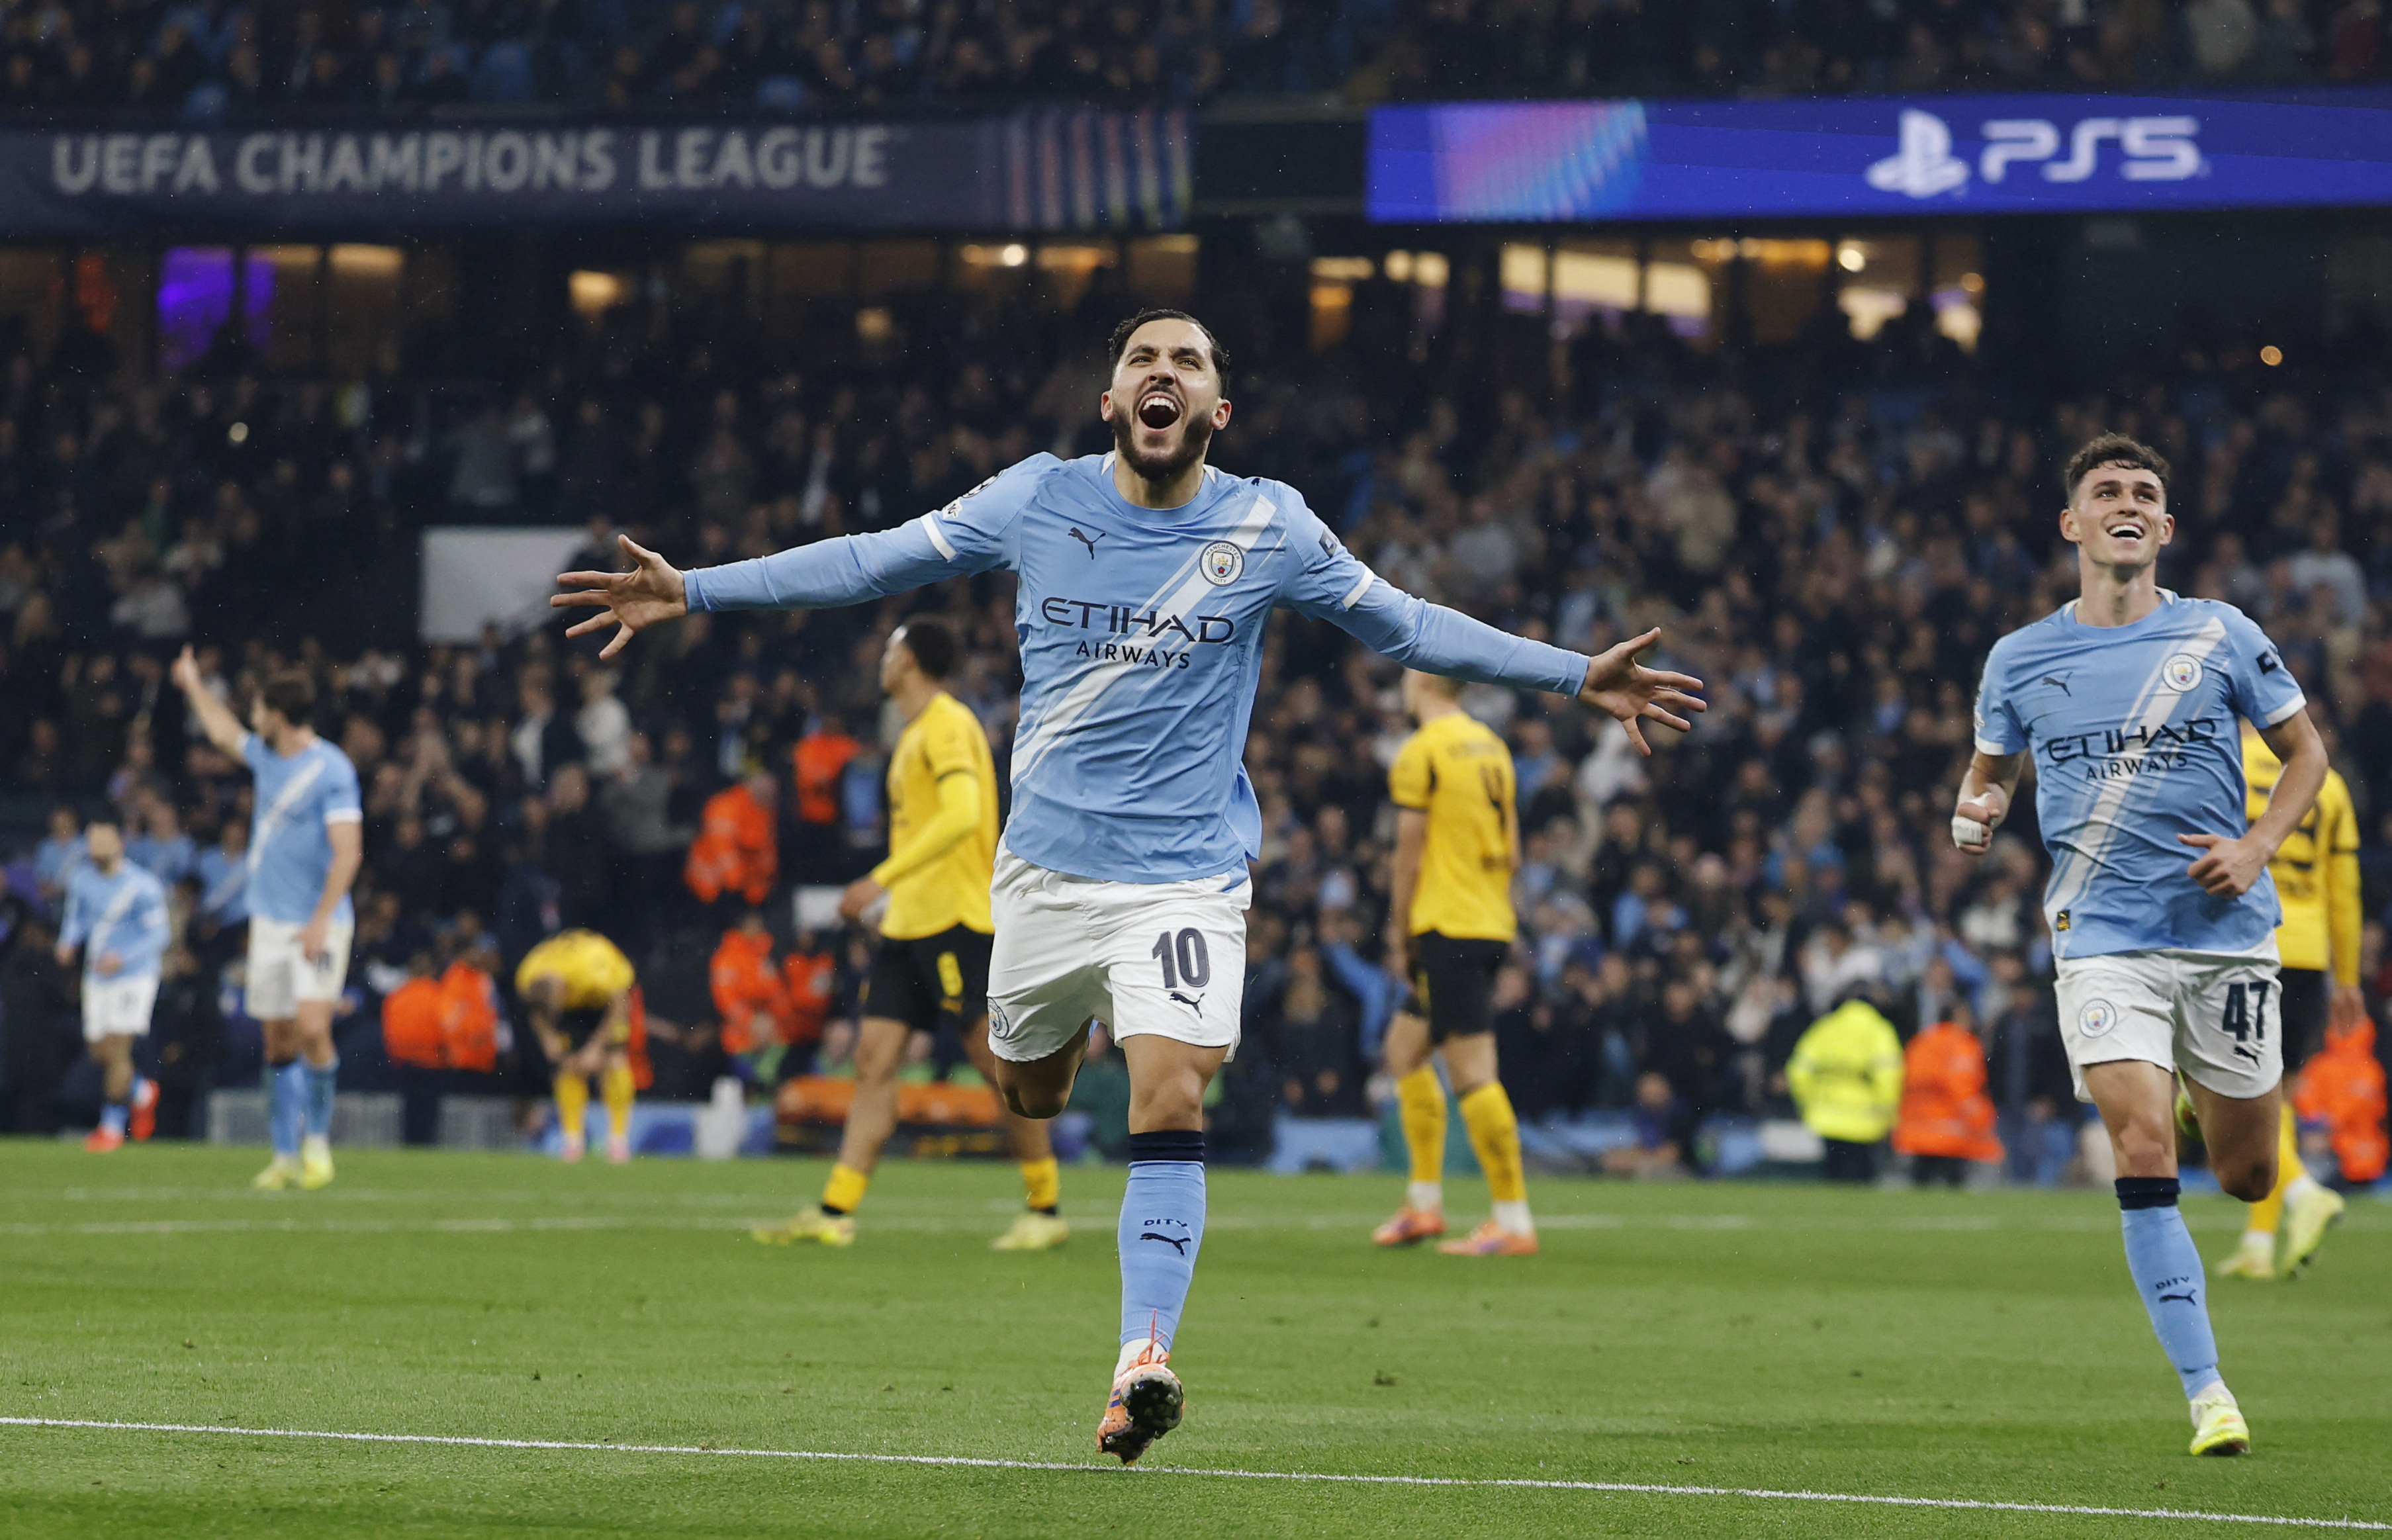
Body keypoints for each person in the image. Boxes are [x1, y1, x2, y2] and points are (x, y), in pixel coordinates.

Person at [553, 308, 1704, 1465]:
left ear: (1217, 409)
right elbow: (870, 559)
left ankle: (1139, 1360)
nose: (1163, 375)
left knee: (1168, 1098)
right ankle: (1078, 1050)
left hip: (1185, 883)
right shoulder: (1037, 498)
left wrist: (1570, 674)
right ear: (1110, 400)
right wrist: (692, 590)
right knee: (1028, 1094)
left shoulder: (1270, 523)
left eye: (1188, 362)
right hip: (1044, 877)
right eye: (1141, 361)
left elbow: (1404, 626)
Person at [1954, 433, 2327, 1457]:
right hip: (2100, 938)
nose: (2125, 501)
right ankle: (2208, 1390)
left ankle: (2238, 1134)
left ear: (2163, 529)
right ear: (2071, 524)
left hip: (2225, 940)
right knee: (2140, 1144)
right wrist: (1975, 812)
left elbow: (2307, 753)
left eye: (2144, 492)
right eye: (2104, 490)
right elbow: (1985, 774)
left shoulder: (2218, 633)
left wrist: (2257, 845)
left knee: (2247, 1172)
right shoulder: (2019, 657)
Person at [752, 619, 1069, 1252]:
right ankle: (835, 1208)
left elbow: (962, 815)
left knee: (994, 1063)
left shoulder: (947, 724)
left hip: (955, 919)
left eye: (893, 649)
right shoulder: (915, 730)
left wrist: (880, 878)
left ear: (914, 661)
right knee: (873, 1060)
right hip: (909, 923)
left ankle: (1045, 1204)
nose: (884, 659)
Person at [173, 647, 363, 1191]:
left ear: (278, 714)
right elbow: (222, 731)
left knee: (311, 1026)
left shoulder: (331, 769)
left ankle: (319, 1148)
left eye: (259, 707)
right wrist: (191, 685)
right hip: (271, 922)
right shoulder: (265, 756)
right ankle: (283, 1156)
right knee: (278, 1040)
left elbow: (348, 851)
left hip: (318, 921)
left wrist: (322, 920)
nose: (253, 715)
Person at [1372, 669, 1536, 1256]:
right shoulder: (1492, 746)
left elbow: (1408, 857)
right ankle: (1423, 1204)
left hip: (1447, 925)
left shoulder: (1421, 752)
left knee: (1472, 1072)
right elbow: (1513, 851)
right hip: (1488, 919)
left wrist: (1399, 930)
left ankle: (1513, 1220)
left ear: (1417, 682)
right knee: (1404, 1049)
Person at [2214, 722, 2358, 1278]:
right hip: (2308, 951)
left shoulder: (2224, 757)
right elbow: (2344, 887)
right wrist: (2346, 975)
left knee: (2227, 1086)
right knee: (2279, 1098)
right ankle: (2260, 1241)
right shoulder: (2330, 781)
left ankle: (2303, 1193)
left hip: (2245, 937)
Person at [55, 818, 169, 1152]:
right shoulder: (81, 880)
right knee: (97, 1050)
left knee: (119, 1048)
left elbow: (159, 935)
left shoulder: (142, 886)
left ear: (119, 845)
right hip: (97, 976)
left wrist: (125, 958)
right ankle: (141, 1093)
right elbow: (76, 918)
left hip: (134, 976)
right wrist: (67, 942)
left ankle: (112, 1127)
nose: (97, 853)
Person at [516, 927, 639, 1163]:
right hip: (575, 1004)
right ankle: (573, 1142)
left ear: (560, 991)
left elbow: (619, 1003)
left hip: (607, 1001)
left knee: (613, 1061)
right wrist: (547, 1037)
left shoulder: (592, 970)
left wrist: (595, 1047)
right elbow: (536, 1010)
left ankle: (618, 1142)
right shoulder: (528, 973)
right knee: (569, 1067)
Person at [1786, 991, 1904, 1181]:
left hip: (1826, 1116)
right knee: (1861, 1184)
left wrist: (1808, 1103)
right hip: (1865, 1120)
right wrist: (1888, 1116)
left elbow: (1799, 1071)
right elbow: (1888, 1077)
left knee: (1834, 1179)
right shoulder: (1879, 1030)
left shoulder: (1826, 1027)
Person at [1891, 1001, 2003, 1187]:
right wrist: (1981, 1120)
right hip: (1951, 1128)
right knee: (1953, 1186)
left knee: (1920, 1183)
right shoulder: (1961, 1044)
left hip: (1918, 1126)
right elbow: (1961, 1086)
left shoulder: (1922, 1040)